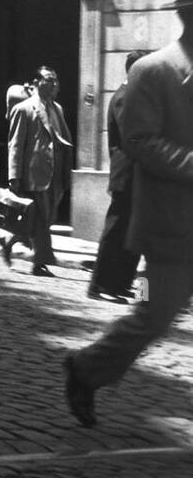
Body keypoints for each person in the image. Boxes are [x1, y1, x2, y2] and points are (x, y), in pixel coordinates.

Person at [64, 0, 193, 428]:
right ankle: (85, 368)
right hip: (173, 226)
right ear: (186, 15)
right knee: (155, 316)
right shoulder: (153, 71)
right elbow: (140, 142)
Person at [86, 50, 149, 303]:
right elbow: (132, 136)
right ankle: (99, 285)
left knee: (131, 232)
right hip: (127, 175)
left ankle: (120, 283)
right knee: (115, 231)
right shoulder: (125, 98)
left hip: (138, 175)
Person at [5, 66, 73, 276]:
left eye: (56, 81)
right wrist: (14, 176)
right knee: (41, 219)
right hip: (34, 173)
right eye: (49, 80)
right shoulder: (24, 109)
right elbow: (15, 145)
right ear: (36, 83)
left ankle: (8, 243)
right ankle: (40, 263)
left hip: (55, 173)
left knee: (43, 218)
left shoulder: (57, 109)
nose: (55, 85)